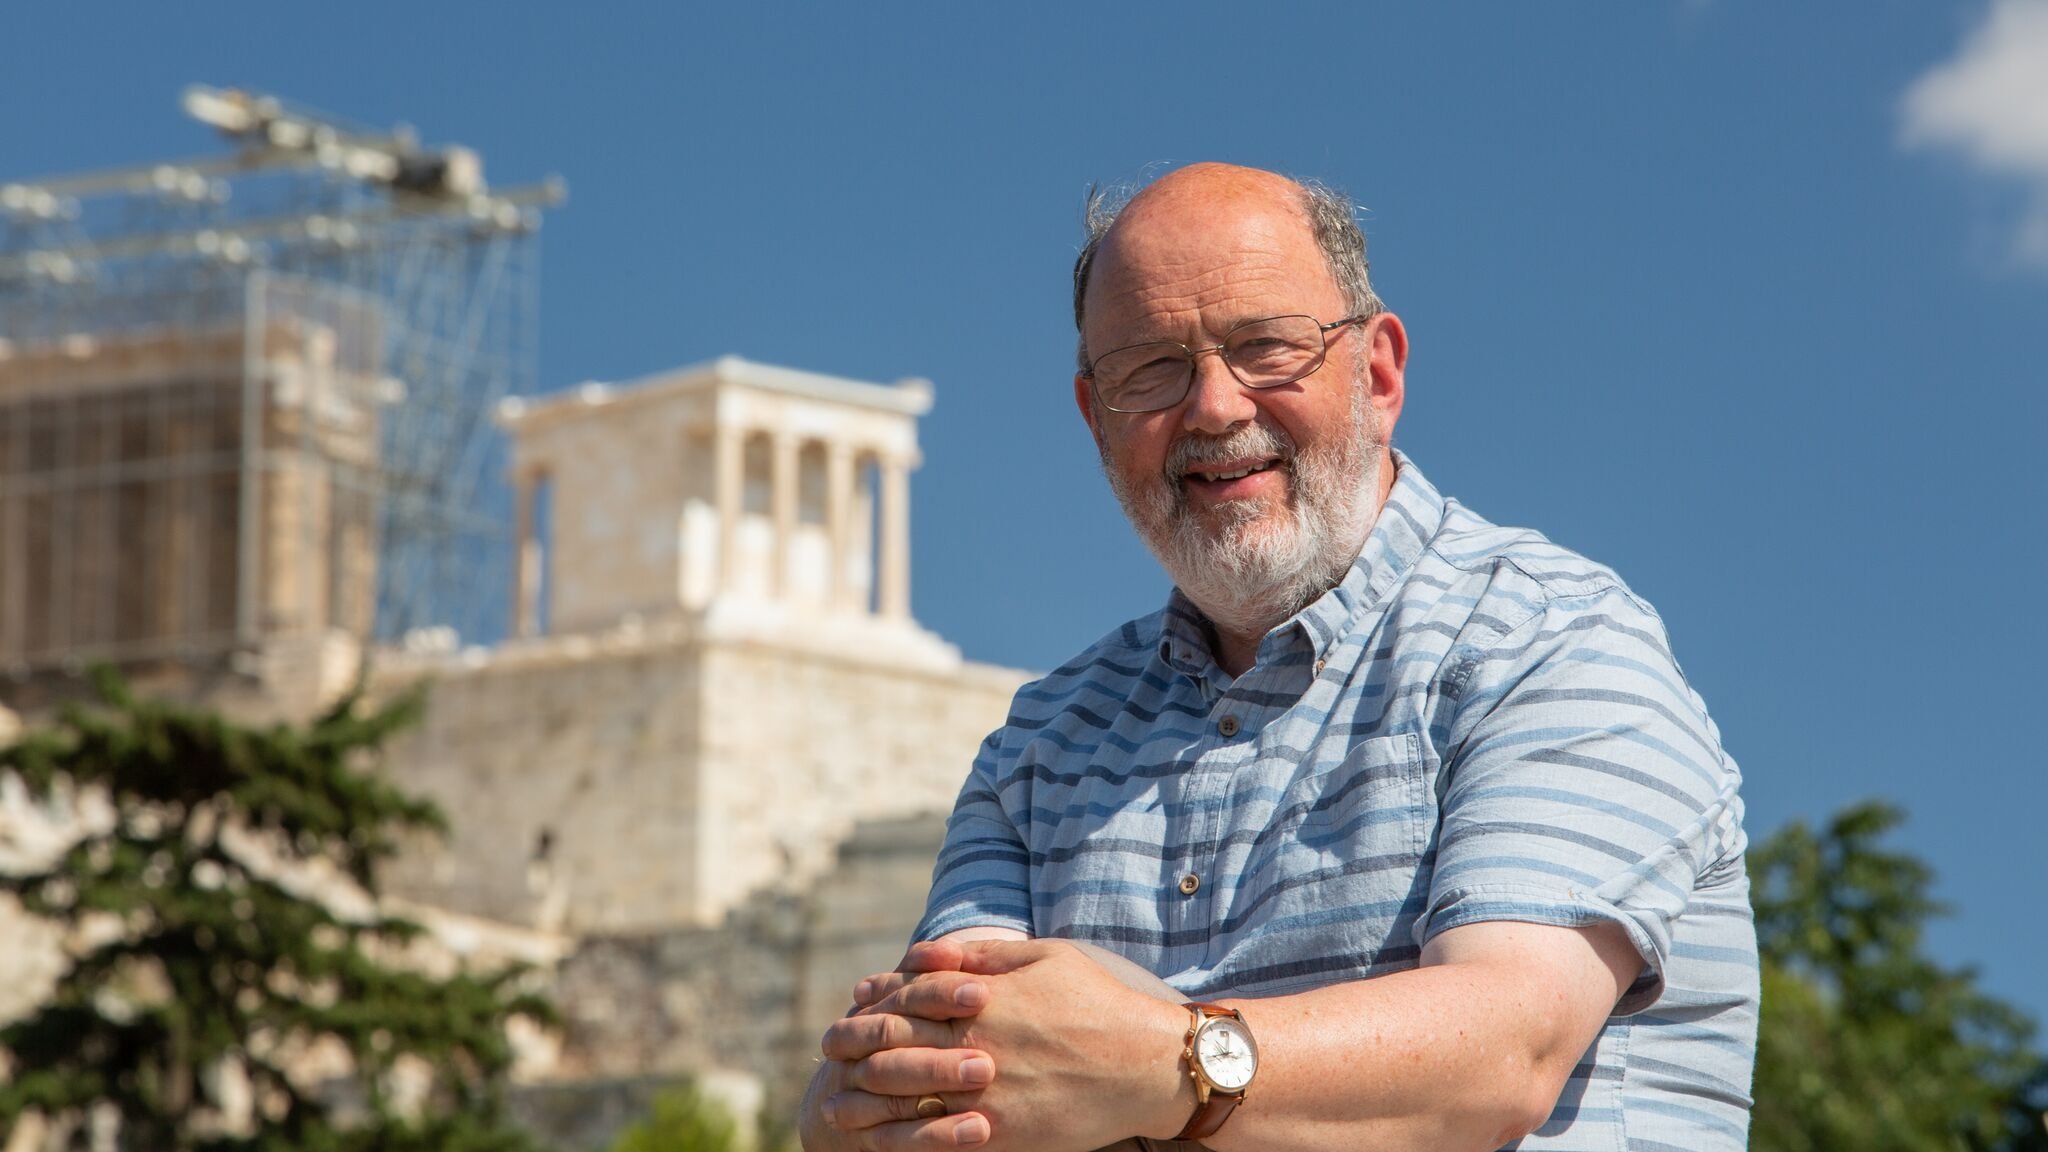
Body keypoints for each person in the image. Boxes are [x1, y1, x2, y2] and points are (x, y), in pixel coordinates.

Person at [799, 163, 1758, 1152]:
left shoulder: (1545, 644)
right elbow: (917, 1089)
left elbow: (1501, 1055)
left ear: (1378, 373)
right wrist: (855, 1101)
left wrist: (1166, 1065)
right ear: (1095, 418)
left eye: (1265, 347)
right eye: (1151, 369)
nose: (1213, 407)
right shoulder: (1041, 741)